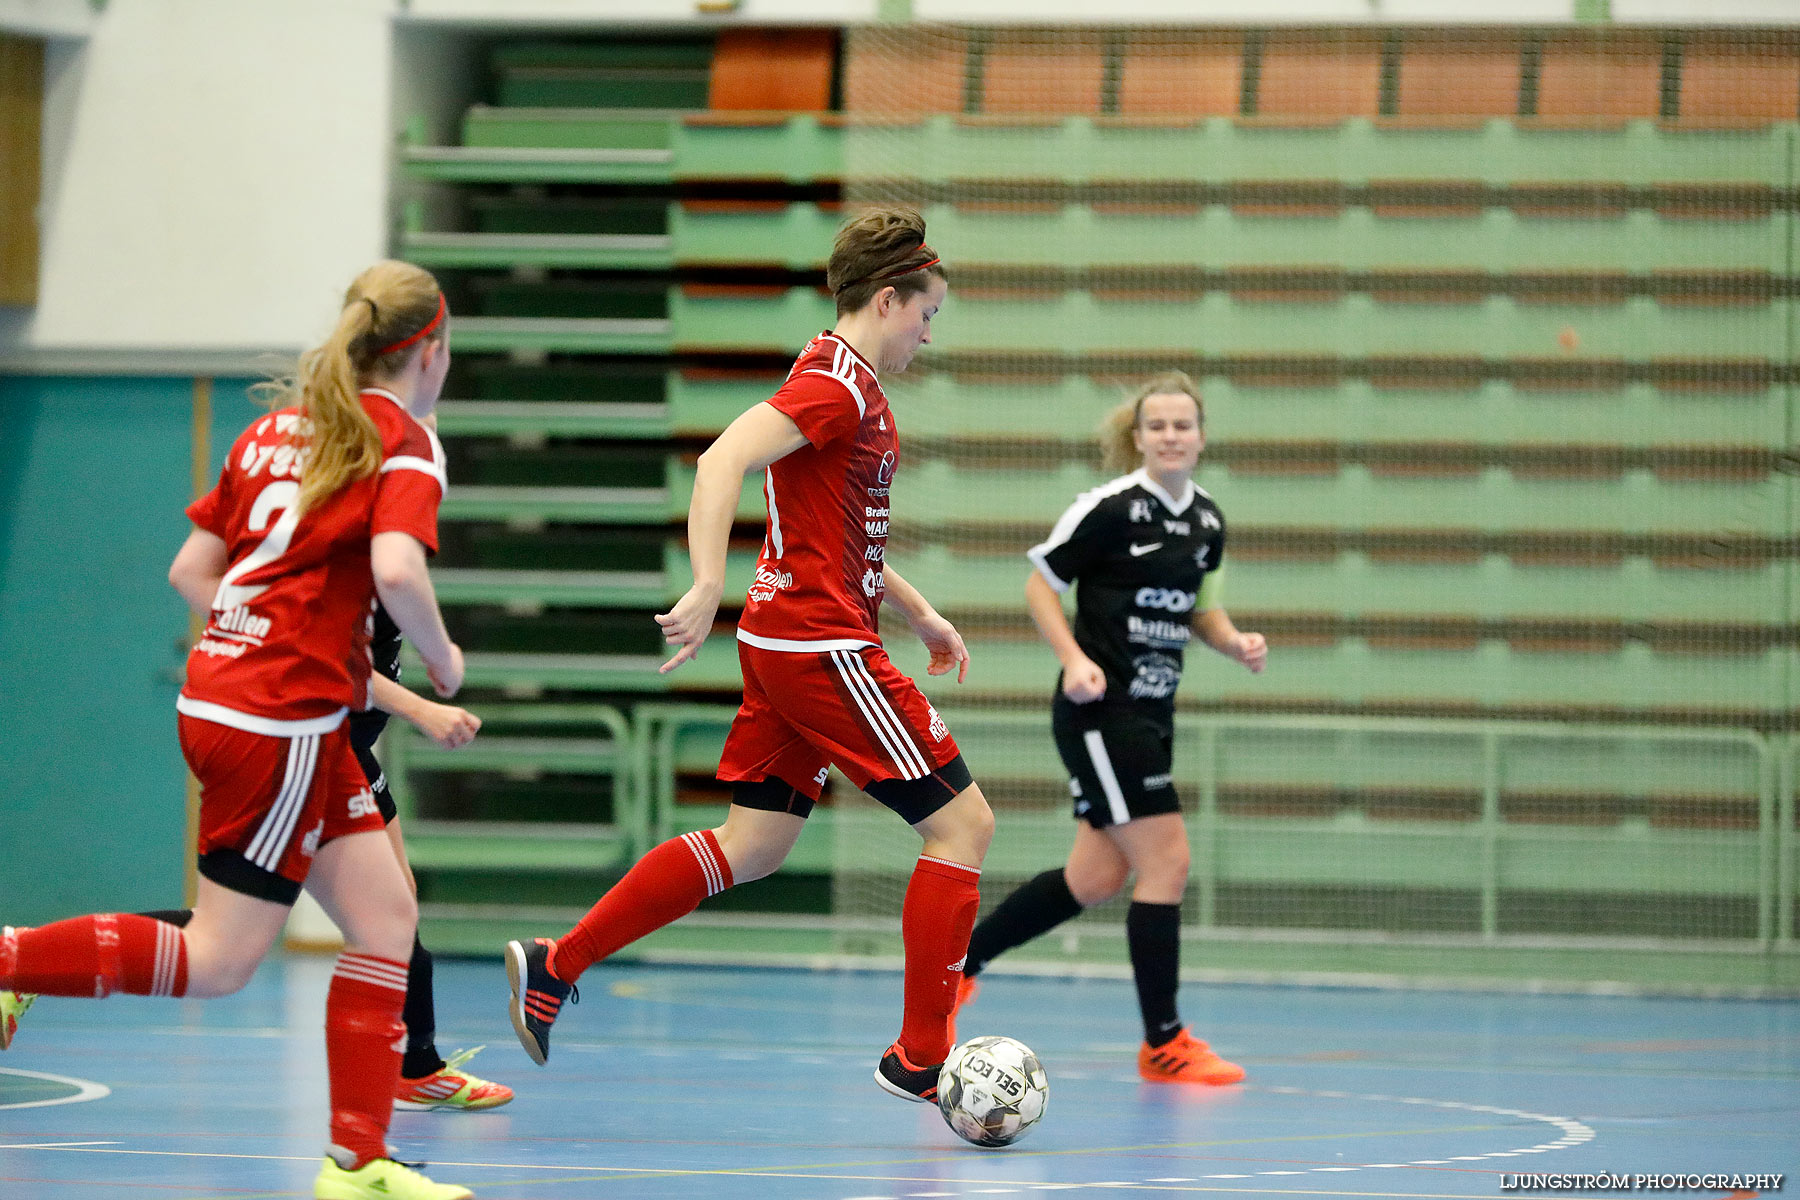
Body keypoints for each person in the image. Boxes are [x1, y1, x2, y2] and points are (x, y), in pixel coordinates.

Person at [0, 261, 476, 1200]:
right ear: (429, 352)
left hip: (240, 699)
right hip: (278, 722)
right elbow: (397, 571)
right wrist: (443, 658)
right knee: (219, 960)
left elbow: (192, 570)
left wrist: (267, 634)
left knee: (384, 917)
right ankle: (10, 960)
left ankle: (359, 1163)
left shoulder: (275, 430)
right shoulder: (401, 441)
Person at [504, 207, 994, 1105]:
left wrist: (918, 614)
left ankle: (553, 963)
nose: (929, 333)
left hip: (787, 639)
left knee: (755, 844)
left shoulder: (836, 374)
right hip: (818, 646)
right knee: (964, 827)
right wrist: (702, 583)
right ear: (889, 300)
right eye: (928, 315)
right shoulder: (838, 387)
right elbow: (720, 459)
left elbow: (834, 538)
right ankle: (921, 1058)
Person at [1, 604, 514, 1112]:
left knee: (392, 911)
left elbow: (195, 573)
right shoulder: (364, 546)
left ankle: (411, 1075)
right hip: (294, 736)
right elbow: (328, 655)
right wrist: (427, 694)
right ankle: (24, 962)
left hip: (335, 744)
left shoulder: (350, 555)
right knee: (225, 948)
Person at [950, 371, 1266, 1086]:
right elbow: (1040, 583)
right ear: (1139, 436)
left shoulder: (1209, 522)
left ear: (1202, 435)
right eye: (1157, 426)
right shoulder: (1109, 509)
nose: (1171, 436)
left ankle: (957, 967)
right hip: (1102, 712)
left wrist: (1235, 640)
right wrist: (1074, 659)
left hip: (1154, 713)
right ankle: (1164, 1043)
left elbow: (1200, 611)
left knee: (1093, 877)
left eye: (1183, 425)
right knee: (1168, 862)